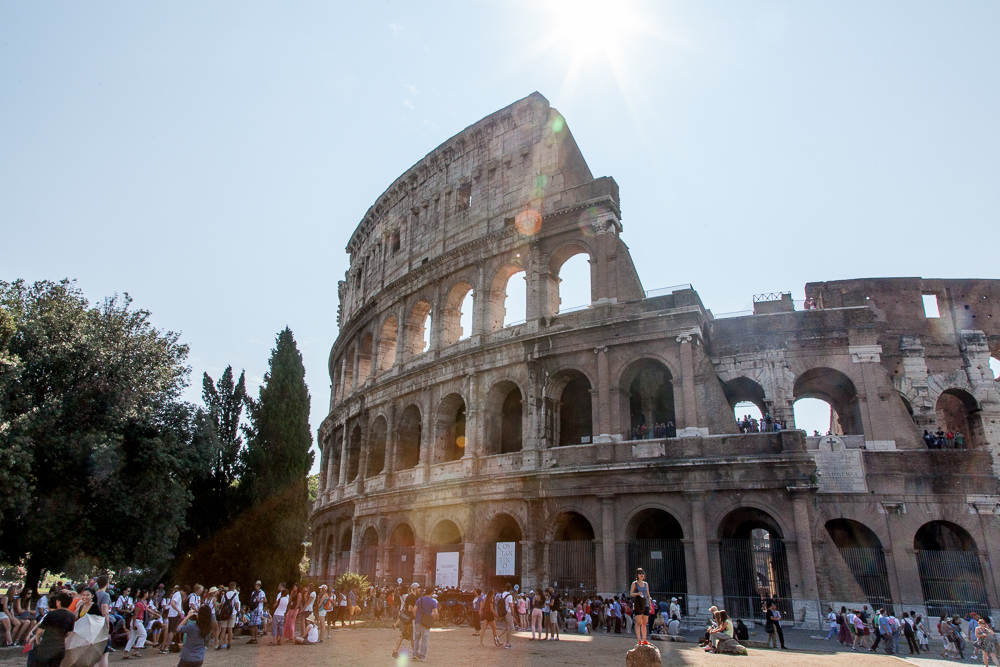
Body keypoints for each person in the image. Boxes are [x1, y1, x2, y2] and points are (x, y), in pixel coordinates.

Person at [27, 591, 74, 667]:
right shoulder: (71, 615)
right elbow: (68, 633)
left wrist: (37, 638)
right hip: (60, 647)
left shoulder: (51, 614)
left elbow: (40, 630)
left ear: (58, 602)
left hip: (46, 646)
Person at [392, 584, 417, 659]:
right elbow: (410, 608)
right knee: (411, 636)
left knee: (404, 634)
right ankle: (414, 653)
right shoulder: (410, 596)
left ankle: (396, 651)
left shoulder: (403, 595)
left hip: (404, 613)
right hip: (409, 617)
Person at [413, 584, 438, 661]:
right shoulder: (433, 602)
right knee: (424, 639)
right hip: (426, 622)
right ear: (431, 593)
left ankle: (415, 653)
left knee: (417, 638)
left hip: (418, 621)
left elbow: (414, 610)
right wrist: (432, 620)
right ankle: (423, 656)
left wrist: (416, 617)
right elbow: (435, 613)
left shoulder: (419, 600)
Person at [123, 590, 149, 659]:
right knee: (143, 634)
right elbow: (135, 614)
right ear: (145, 594)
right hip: (137, 621)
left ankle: (126, 652)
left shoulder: (143, 602)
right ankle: (135, 650)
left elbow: (147, 609)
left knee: (133, 637)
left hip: (138, 621)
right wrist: (134, 624)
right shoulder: (140, 603)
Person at [630, 568, 653, 646]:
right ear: (637, 575)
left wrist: (650, 605)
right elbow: (631, 594)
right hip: (638, 604)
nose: (641, 575)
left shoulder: (646, 584)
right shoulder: (634, 583)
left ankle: (645, 639)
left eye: (642, 573)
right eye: (639, 573)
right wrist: (637, 593)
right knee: (638, 622)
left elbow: (648, 595)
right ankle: (639, 640)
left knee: (644, 623)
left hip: (645, 604)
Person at [159, 585, 183, 654]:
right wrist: (178, 611)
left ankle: (163, 646)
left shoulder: (174, 596)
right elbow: (173, 604)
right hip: (173, 615)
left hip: (170, 615)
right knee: (171, 631)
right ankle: (166, 647)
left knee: (168, 631)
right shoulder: (177, 595)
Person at [216, 581, 239, 651]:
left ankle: (220, 644)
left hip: (225, 613)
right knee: (230, 629)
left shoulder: (225, 595)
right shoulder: (235, 594)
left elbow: (222, 604)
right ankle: (229, 644)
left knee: (223, 629)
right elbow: (237, 604)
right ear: (234, 587)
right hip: (232, 612)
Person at [501, 584, 516, 649]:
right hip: (508, 612)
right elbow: (511, 606)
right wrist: (514, 615)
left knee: (505, 627)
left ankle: (497, 637)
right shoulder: (509, 596)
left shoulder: (503, 594)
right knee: (509, 628)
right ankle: (508, 643)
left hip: (504, 612)